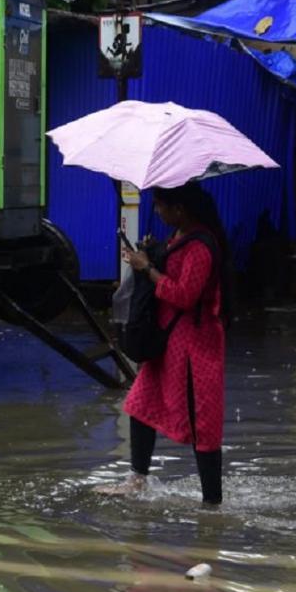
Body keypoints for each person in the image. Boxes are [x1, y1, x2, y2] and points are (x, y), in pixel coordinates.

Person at [99, 183, 229, 505]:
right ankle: (137, 480)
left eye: (160, 205)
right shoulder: (177, 238)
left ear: (179, 209)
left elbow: (185, 296)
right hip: (168, 343)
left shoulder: (200, 246)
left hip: (193, 348)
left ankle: (212, 503)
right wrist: (148, 256)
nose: (157, 211)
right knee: (140, 404)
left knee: (203, 422)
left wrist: (150, 270)